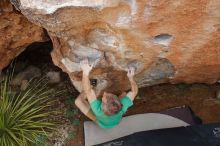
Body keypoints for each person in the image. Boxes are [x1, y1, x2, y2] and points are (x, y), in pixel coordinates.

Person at [75, 59, 138, 129]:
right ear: (119, 103)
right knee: (124, 94)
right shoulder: (123, 105)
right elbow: (134, 92)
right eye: (109, 95)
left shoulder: (97, 109)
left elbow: (88, 91)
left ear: (102, 107)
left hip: (102, 124)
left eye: (103, 97)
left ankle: (93, 84)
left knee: (78, 101)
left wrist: (85, 72)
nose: (104, 93)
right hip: (115, 122)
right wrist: (131, 78)